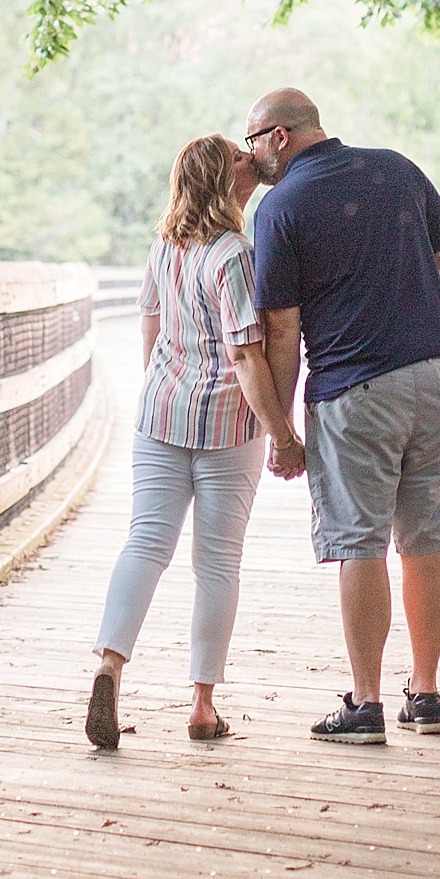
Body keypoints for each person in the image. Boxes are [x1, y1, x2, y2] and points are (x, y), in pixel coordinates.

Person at [245, 87, 440, 746]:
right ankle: (424, 692)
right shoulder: (398, 169)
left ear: (279, 135)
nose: (251, 153)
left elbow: (281, 332)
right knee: (426, 536)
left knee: (359, 541)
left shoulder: (279, 207)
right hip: (432, 379)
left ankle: (366, 703)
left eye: (252, 139)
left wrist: (282, 431)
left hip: (352, 391)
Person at [87, 134, 304, 750]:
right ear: (221, 177)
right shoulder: (234, 253)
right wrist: (282, 436)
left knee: (145, 543)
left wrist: (162, 387)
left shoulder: (165, 245)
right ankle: (203, 706)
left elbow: (150, 326)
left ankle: (109, 664)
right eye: (240, 155)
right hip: (225, 424)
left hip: (160, 413)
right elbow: (243, 351)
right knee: (217, 564)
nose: (250, 159)